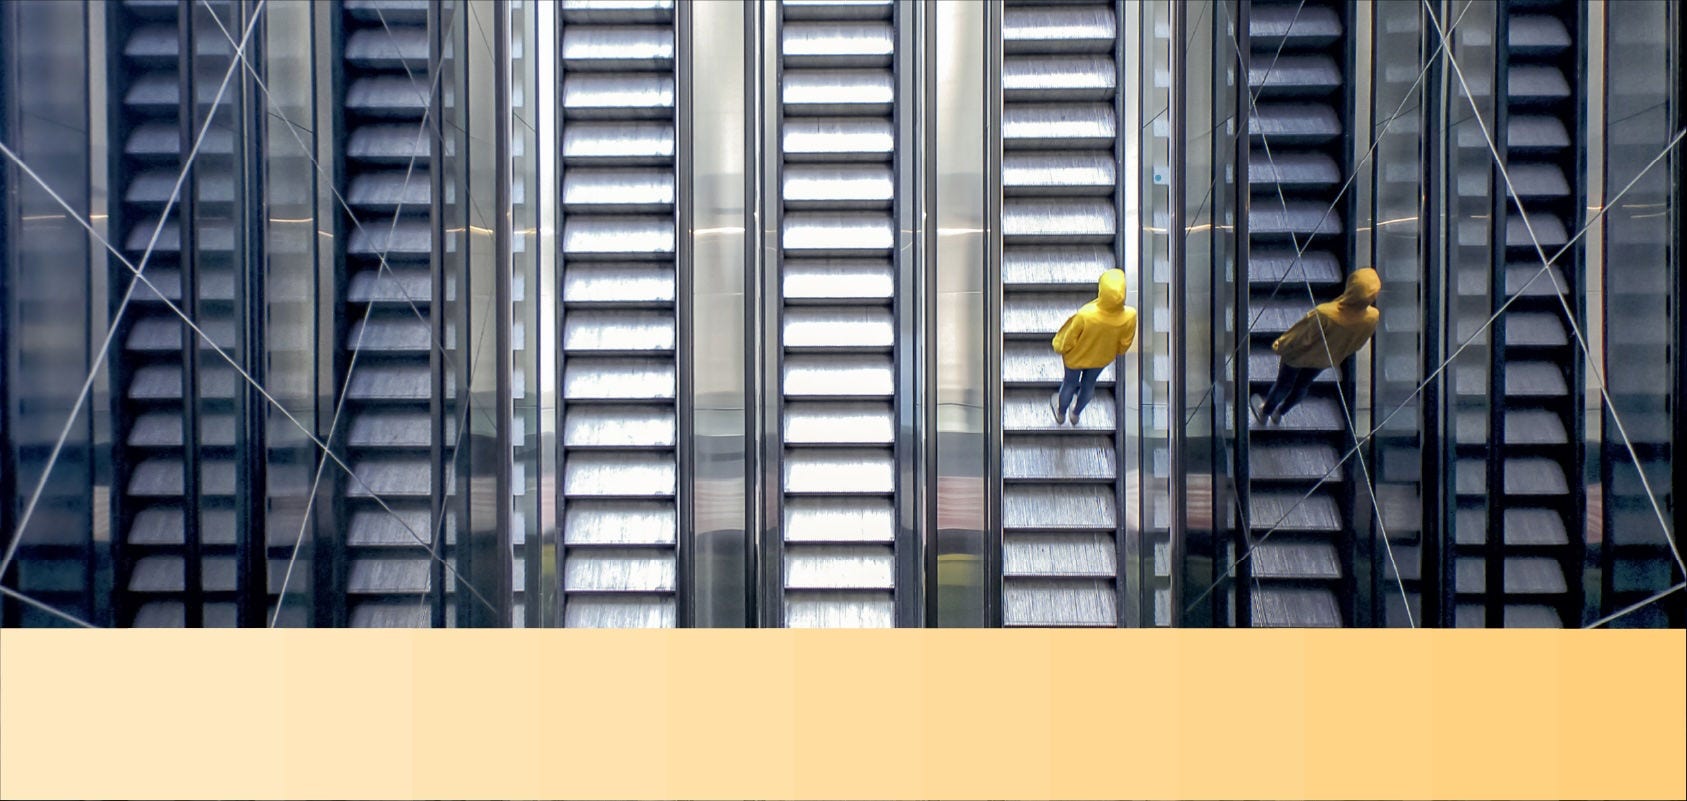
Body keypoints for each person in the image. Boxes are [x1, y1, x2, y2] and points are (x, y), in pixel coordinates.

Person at [1252, 267, 1381, 426]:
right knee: (1302, 386)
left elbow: (1300, 337)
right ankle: (1280, 413)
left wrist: (1281, 345)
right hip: (1325, 359)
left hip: (1298, 357)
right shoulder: (1372, 316)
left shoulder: (1326, 313)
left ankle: (1265, 413)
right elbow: (1359, 341)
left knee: (1283, 385)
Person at [1050, 268, 1138, 425]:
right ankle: (1076, 414)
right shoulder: (1130, 316)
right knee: (1089, 386)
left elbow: (1069, 338)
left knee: (1070, 383)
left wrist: (1059, 347)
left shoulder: (1086, 315)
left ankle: (1061, 412)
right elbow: (1125, 344)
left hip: (1076, 358)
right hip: (1101, 359)